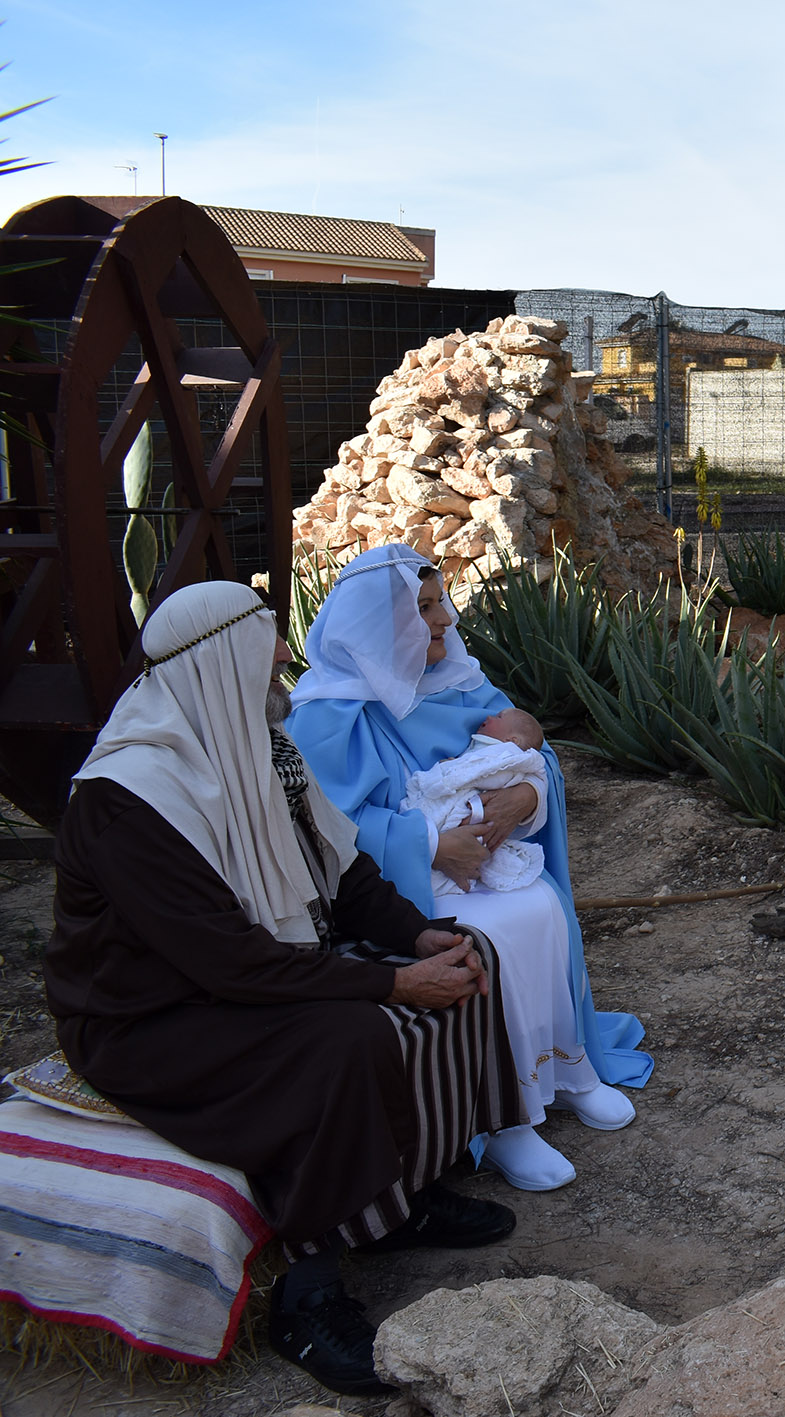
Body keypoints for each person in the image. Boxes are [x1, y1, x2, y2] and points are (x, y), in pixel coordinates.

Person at [45, 581, 523, 1396]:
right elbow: (228, 963)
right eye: (264, 656)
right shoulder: (127, 800)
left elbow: (344, 869)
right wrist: (391, 982)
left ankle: (399, 1200)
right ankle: (308, 1295)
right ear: (216, 667)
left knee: (468, 955)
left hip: (253, 969)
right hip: (147, 1018)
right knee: (345, 1040)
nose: (281, 667)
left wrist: (416, 937)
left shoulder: (261, 749)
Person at [287, 544, 649, 1196]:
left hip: (485, 861)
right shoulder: (324, 714)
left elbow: (530, 751)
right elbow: (331, 823)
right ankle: (505, 1118)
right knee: (495, 932)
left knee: (540, 906)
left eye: (441, 603)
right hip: (403, 889)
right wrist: (430, 843)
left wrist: (526, 796)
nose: (445, 620)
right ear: (378, 626)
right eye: (424, 608)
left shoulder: (460, 680)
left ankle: (568, 1070)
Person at [403, 708, 551, 898]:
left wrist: (529, 792)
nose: (488, 716)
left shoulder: (505, 751)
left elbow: (532, 761)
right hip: (414, 838)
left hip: (464, 812)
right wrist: (433, 846)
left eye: (498, 717)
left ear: (512, 741)